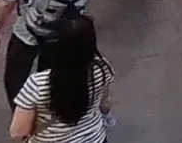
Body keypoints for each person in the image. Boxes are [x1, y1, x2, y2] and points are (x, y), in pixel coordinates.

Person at [8, 14, 114, 143]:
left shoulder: (37, 84)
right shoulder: (102, 69)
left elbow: (18, 132)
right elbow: (105, 105)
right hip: (94, 138)